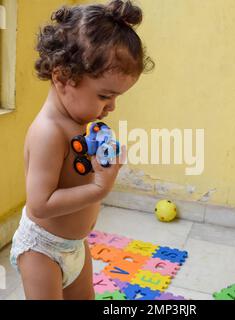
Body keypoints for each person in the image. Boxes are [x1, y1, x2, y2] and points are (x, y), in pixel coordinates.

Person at [9, 0, 154, 300]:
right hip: (42, 249)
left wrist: (102, 163)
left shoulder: (82, 122)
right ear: (63, 78)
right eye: (105, 95)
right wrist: (100, 187)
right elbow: (40, 204)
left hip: (75, 245)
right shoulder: (49, 132)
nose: (112, 106)